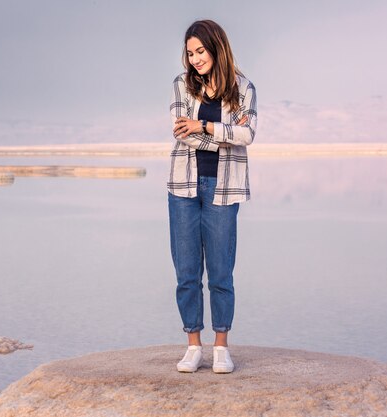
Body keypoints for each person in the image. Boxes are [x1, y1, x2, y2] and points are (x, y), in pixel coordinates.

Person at [168, 19, 257, 373]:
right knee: (187, 272)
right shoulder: (181, 86)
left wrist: (203, 125)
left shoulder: (243, 87)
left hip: (224, 189)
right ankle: (193, 345)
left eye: (200, 51)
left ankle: (221, 346)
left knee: (221, 272)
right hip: (183, 188)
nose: (194, 60)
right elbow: (180, 133)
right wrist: (225, 134)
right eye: (190, 53)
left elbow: (248, 135)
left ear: (216, 47)